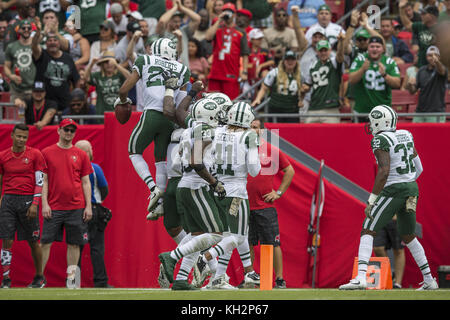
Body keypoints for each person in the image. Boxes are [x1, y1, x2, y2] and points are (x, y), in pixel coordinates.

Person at [339, 105, 439, 291]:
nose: (370, 124)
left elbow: (384, 171)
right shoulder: (406, 135)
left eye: (372, 120)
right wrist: (407, 183)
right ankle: (429, 279)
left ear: (379, 121)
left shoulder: (380, 139)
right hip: (411, 188)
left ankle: (361, 277)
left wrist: (371, 200)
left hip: (394, 188)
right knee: (408, 235)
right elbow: (420, 168)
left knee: (368, 229)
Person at [158, 98, 227, 290]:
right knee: (216, 234)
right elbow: (197, 161)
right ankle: (171, 257)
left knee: (197, 234)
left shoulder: (188, 130)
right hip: (197, 186)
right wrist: (214, 183)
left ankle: (180, 279)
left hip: (185, 183)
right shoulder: (205, 130)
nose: (220, 116)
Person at [117, 38, 191, 214]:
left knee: (134, 151)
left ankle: (153, 188)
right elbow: (183, 101)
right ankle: (160, 202)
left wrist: (122, 101)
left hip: (151, 112)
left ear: (154, 49)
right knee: (160, 159)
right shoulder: (183, 69)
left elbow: (123, 89)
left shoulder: (145, 59)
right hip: (170, 117)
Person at [197, 101, 261, 290]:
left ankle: (217, 279)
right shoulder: (248, 135)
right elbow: (254, 170)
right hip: (236, 191)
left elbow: (206, 158)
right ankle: (205, 258)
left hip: (217, 188)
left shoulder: (217, 131)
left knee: (226, 235)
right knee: (238, 237)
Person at [41, 118, 93, 288]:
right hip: (54, 207)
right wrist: (45, 204)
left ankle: (72, 280)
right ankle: (38, 278)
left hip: (76, 206)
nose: (69, 133)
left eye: (72, 130)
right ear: (58, 130)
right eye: (66, 129)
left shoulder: (81, 155)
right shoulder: (47, 152)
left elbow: (86, 182)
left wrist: (88, 206)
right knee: (45, 243)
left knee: (74, 244)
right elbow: (44, 181)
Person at [247, 118, 295, 289]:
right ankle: (249, 276)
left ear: (261, 131)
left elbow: (289, 170)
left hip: (265, 206)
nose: (252, 130)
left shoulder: (269, 149)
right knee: (248, 244)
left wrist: (279, 192)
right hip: (245, 205)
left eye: (255, 127)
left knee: (273, 242)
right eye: (249, 127)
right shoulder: (239, 148)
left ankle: (280, 279)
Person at [0, 124, 47, 288]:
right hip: (8, 201)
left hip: (28, 200)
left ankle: (39, 277)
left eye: (24, 137)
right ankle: (5, 279)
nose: (21, 140)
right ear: (12, 135)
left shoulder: (35, 154)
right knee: (6, 239)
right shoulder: (3, 156)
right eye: (18, 136)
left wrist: (35, 203)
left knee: (33, 241)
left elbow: (40, 182)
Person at [74, 140, 113, 288]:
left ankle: (73, 282)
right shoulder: (95, 168)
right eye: (90, 149)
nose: (92, 152)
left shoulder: (71, 168)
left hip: (75, 211)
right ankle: (101, 282)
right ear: (87, 153)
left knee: (74, 247)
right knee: (97, 248)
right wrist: (96, 201)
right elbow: (104, 189)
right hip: (94, 210)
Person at [349, 36, 401, 122]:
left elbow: (397, 83)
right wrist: (362, 70)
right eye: (372, 46)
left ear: (383, 49)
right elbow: (351, 80)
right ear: (368, 48)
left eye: (377, 47)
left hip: (383, 112)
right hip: (362, 111)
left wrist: (385, 75)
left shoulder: (389, 62)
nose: (375, 49)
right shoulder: (360, 59)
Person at [205, 2, 249, 100]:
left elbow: (245, 53)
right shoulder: (218, 28)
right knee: (213, 101)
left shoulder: (240, 32)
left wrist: (245, 71)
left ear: (234, 14)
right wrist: (219, 20)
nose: (227, 14)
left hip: (231, 74)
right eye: (225, 11)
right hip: (216, 73)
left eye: (230, 12)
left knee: (230, 102)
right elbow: (208, 37)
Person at [32, 27, 80, 112]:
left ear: (59, 43)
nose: (52, 43)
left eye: (55, 40)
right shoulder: (41, 55)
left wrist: (76, 96)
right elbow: (34, 45)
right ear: (46, 43)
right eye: (49, 40)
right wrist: (40, 32)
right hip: (45, 103)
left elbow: (76, 80)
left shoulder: (68, 58)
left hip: (65, 103)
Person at [302, 36, 345, 124]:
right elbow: (308, 84)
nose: (323, 53)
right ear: (317, 52)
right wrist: (303, 89)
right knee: (308, 135)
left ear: (330, 50)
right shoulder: (313, 65)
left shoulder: (333, 62)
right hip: (314, 107)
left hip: (330, 107)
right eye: (321, 50)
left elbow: (340, 56)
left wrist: (340, 43)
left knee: (332, 135)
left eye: (325, 50)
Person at [251, 50, 303, 123]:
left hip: (292, 111)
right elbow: (264, 88)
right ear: (283, 61)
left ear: (296, 61)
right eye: (288, 59)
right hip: (275, 110)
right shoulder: (274, 72)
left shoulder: (300, 75)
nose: (290, 62)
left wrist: (301, 100)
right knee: (273, 133)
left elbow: (303, 90)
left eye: (292, 59)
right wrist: (258, 99)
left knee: (291, 134)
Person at [405, 46, 448, 123]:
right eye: (430, 55)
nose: (433, 57)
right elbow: (413, 91)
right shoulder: (421, 70)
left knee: (435, 135)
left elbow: (442, 71)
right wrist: (410, 84)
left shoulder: (443, 69)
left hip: (437, 112)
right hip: (420, 111)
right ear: (426, 57)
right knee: (415, 134)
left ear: (439, 57)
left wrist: (437, 62)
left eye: (435, 55)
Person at [156, 0, 201, 68]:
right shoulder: (163, 33)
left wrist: (181, 7)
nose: (178, 24)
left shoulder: (184, 31)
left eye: (179, 21)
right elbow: (162, 21)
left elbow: (197, 19)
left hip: (183, 70)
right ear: (169, 21)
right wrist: (174, 8)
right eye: (175, 21)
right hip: (168, 71)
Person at [85, 51, 130, 116]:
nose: (109, 64)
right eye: (106, 62)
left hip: (119, 113)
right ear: (102, 64)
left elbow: (130, 78)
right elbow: (86, 78)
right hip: (102, 113)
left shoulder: (120, 75)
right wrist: (91, 64)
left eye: (111, 62)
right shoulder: (98, 75)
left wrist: (117, 65)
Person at [399, 0, 439, 68]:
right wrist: (401, 9)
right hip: (421, 65)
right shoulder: (420, 26)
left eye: (424, 14)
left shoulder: (442, 28)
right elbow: (408, 25)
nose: (421, 15)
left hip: (437, 65)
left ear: (432, 16)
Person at [3, 19, 36, 103]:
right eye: (23, 28)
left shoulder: (35, 47)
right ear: (19, 30)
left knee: (32, 115)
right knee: (15, 115)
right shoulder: (11, 47)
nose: (26, 30)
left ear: (31, 30)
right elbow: (6, 66)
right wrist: (11, 76)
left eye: (29, 28)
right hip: (16, 90)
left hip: (33, 89)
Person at [373, 217, 405, 289]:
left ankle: (397, 284)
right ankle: (389, 276)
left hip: (396, 216)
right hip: (380, 217)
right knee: (378, 248)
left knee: (398, 250)